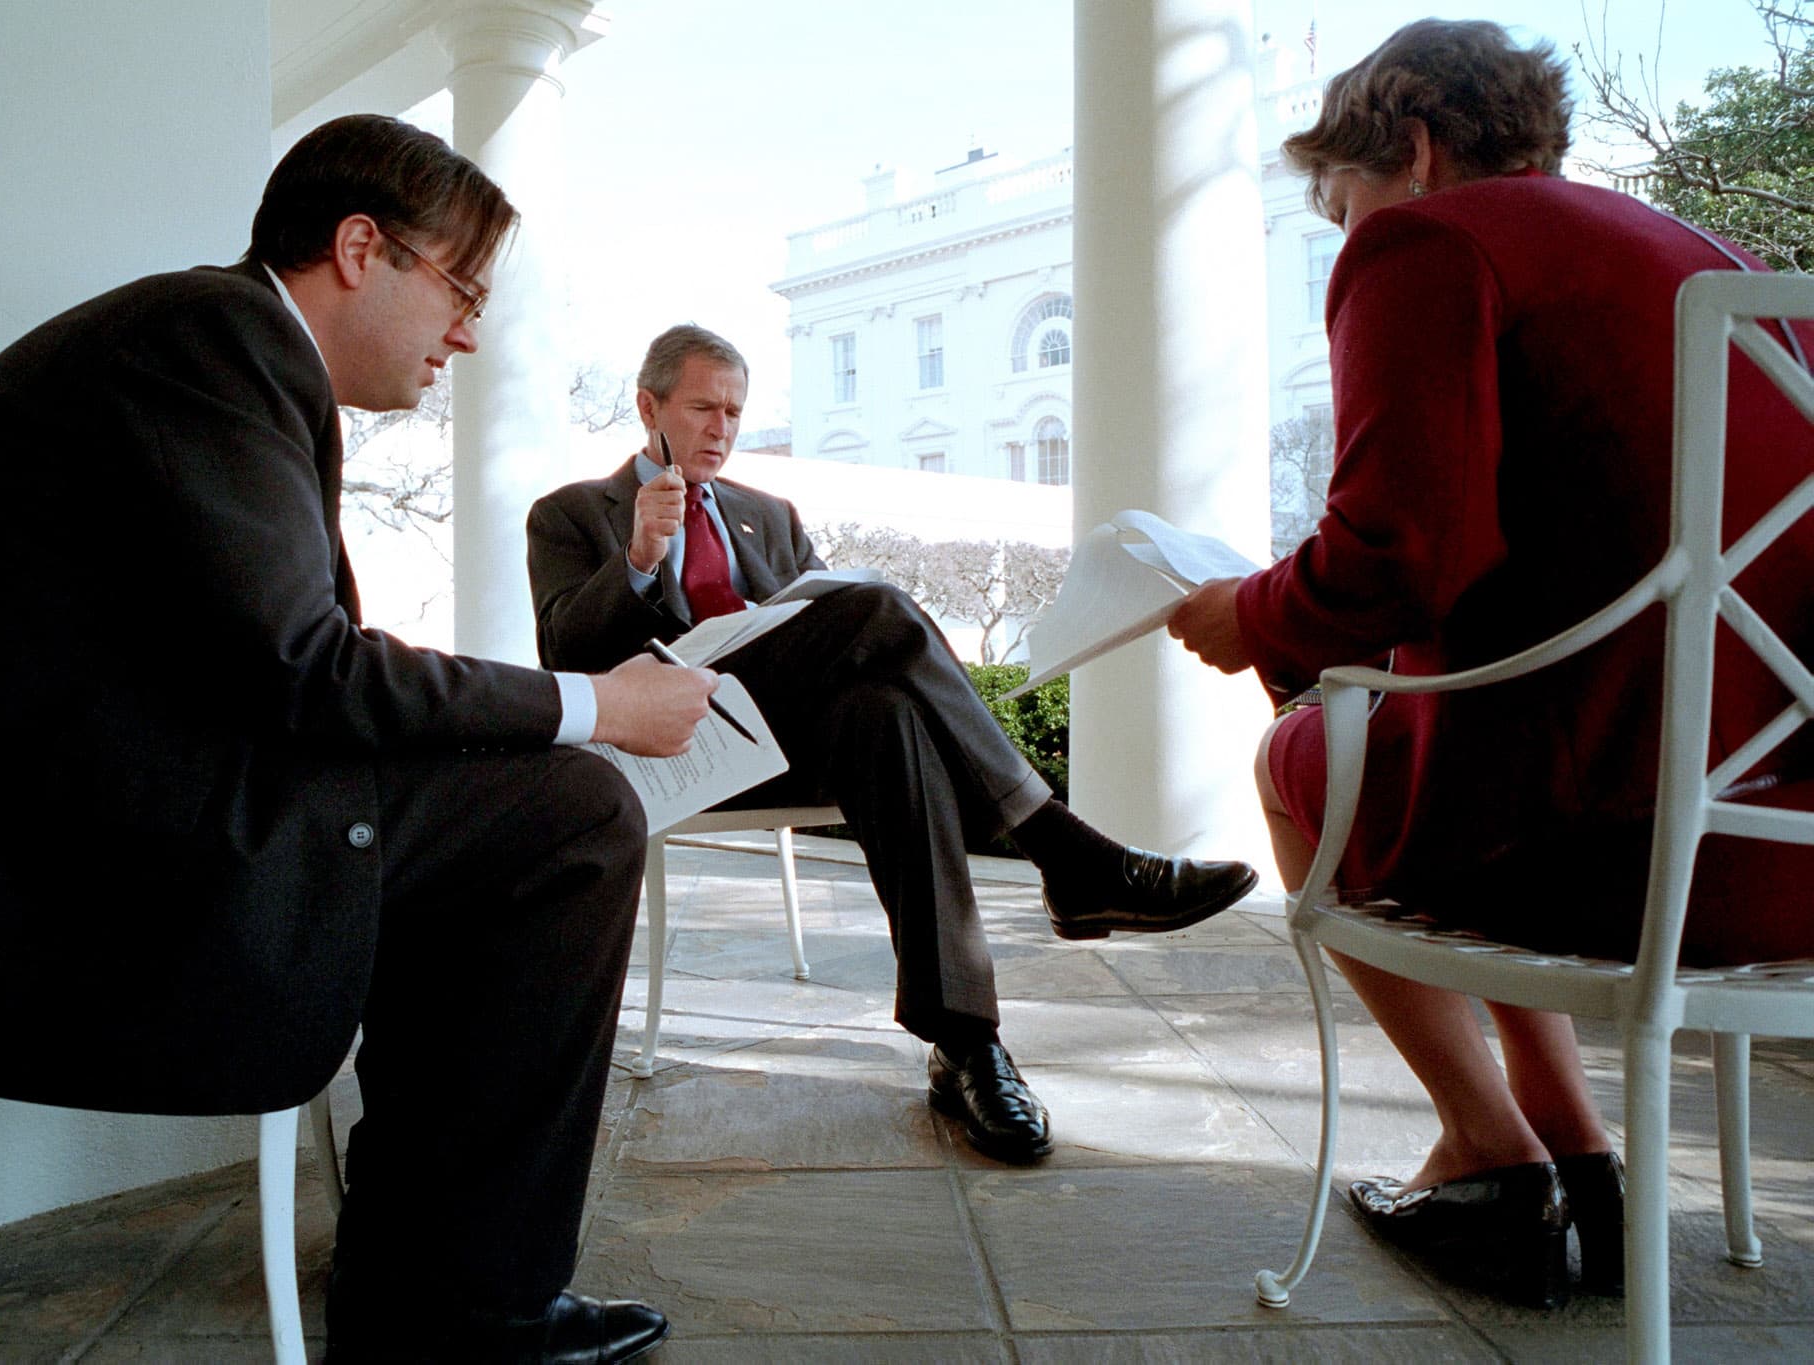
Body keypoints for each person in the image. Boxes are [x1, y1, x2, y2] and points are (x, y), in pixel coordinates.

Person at [0, 115, 717, 1362]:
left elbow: (263, 666)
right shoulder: (214, 340)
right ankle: (465, 1305)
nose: (467, 331)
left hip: (80, 827)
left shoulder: (203, 347)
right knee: (571, 815)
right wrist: (598, 707)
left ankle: (428, 1263)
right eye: (460, 289)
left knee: (508, 802)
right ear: (361, 248)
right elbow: (307, 668)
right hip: (43, 891)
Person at [1168, 19, 1814, 1307]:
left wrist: (1252, 617)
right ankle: (1573, 1147)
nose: (1346, 233)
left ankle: (1484, 1147)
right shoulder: (1719, 263)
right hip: (1778, 851)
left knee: (1306, 756)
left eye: (1341, 203)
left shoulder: (1427, 241)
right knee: (1464, 762)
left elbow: (1397, 561)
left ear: (1406, 150)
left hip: (1613, 860)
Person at [526, 325, 1261, 1164]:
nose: (721, 428)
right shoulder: (572, 514)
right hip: (672, 752)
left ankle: (966, 1043)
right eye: (702, 407)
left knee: (885, 713)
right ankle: (1061, 849)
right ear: (649, 406)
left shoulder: (770, 516)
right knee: (878, 607)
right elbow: (565, 657)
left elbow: (824, 638)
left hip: (787, 744)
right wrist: (639, 556)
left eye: (734, 410)